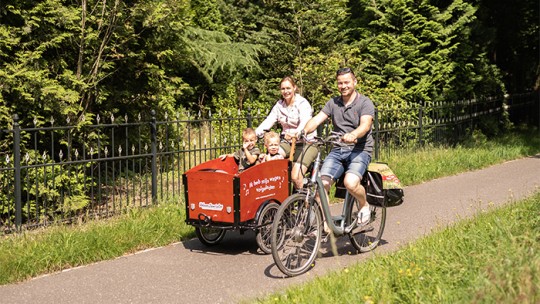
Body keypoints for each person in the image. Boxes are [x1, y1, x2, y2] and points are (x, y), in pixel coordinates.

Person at [302, 67, 375, 226]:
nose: (343, 86)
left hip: (359, 150)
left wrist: (353, 135)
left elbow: (365, 125)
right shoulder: (333, 103)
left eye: (347, 82)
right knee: (322, 185)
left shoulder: (365, 103)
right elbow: (317, 119)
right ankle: (327, 226)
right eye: (340, 83)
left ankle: (364, 205)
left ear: (354, 82)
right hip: (338, 149)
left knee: (350, 183)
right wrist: (304, 131)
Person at [255, 76, 317, 188]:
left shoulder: (302, 103)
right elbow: (269, 120)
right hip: (288, 142)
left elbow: (305, 120)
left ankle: (303, 201)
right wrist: (255, 134)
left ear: (294, 88)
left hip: (307, 143)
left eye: (288, 88)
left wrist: (298, 132)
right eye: (283, 89)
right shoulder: (279, 105)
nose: (285, 91)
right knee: (271, 160)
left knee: (295, 176)